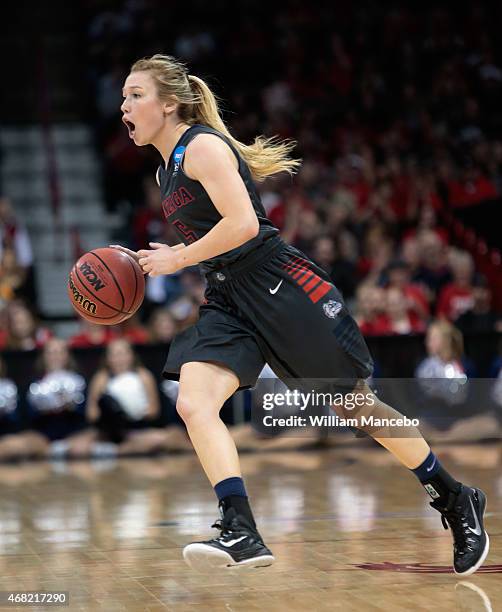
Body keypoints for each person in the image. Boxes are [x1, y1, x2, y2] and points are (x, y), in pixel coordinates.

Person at [113, 54, 489, 574]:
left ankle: (452, 495)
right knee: (195, 403)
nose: (124, 105)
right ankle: (240, 529)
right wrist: (166, 257)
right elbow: (212, 237)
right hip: (229, 297)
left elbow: (244, 224)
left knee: (354, 407)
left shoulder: (200, 146)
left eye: (135, 94)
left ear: (170, 102)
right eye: (124, 96)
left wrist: (176, 257)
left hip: (279, 286)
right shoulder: (165, 168)